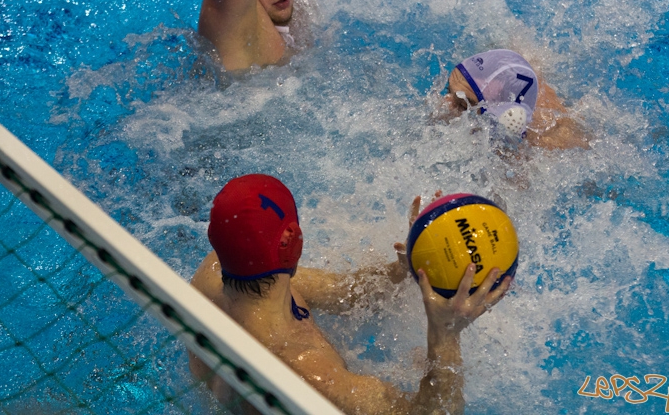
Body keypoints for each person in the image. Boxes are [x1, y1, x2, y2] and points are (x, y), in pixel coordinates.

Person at [189, 174, 511, 415]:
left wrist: (408, 266)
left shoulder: (215, 269)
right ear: (293, 244)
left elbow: (345, 292)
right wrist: (445, 334)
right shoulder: (308, 372)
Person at [442, 49, 591, 151]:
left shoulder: (545, 148)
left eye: (462, 105)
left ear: (501, 113)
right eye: (448, 91)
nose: (445, 103)